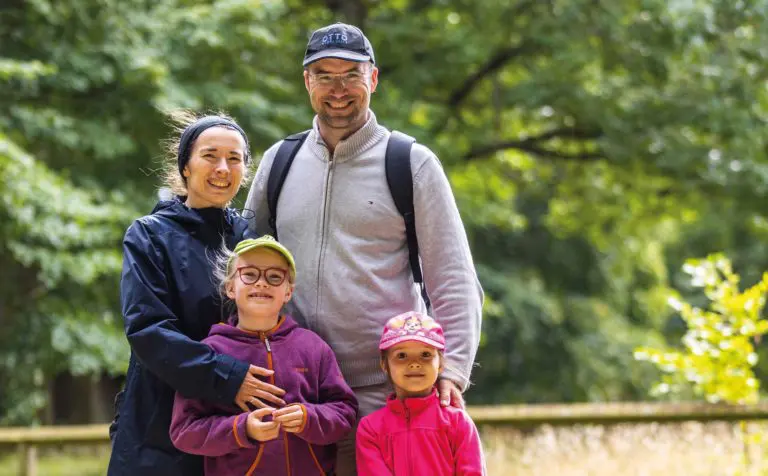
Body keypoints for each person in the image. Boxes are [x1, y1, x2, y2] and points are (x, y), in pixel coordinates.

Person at [244, 22, 484, 474]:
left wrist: (451, 371)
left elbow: (453, 278)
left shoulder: (410, 163)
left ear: (373, 79)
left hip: (381, 397)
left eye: (351, 75)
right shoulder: (279, 161)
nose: (338, 89)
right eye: (324, 76)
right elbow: (243, 269)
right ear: (307, 82)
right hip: (293, 394)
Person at [108, 114, 288, 476]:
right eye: (210, 156)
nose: (223, 168)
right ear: (186, 167)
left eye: (234, 158)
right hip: (159, 424)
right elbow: (148, 329)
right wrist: (226, 376)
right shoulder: (149, 236)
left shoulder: (251, 241)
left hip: (238, 425)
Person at [169, 235, 358, 475]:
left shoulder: (313, 347)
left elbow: (345, 411)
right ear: (230, 287)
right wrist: (241, 428)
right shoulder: (209, 354)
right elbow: (184, 431)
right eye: (249, 274)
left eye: (274, 276)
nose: (261, 283)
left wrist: (308, 417)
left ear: (288, 291)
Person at [356, 311, 485, 475]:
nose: (415, 364)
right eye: (401, 355)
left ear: (440, 364)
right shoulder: (370, 429)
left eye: (425, 355)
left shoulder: (458, 423)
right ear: (384, 364)